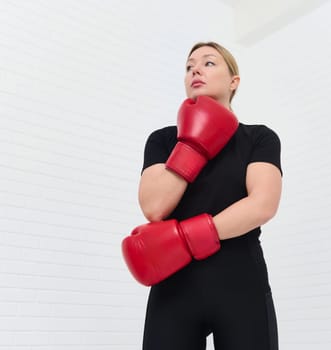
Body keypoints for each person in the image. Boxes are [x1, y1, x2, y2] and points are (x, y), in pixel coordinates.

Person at [122, 41, 283, 350]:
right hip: (174, 286)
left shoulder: (259, 138)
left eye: (209, 63)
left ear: (234, 82)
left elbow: (262, 204)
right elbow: (154, 207)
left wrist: (186, 239)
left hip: (240, 280)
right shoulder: (163, 139)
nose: (195, 69)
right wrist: (193, 144)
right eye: (189, 66)